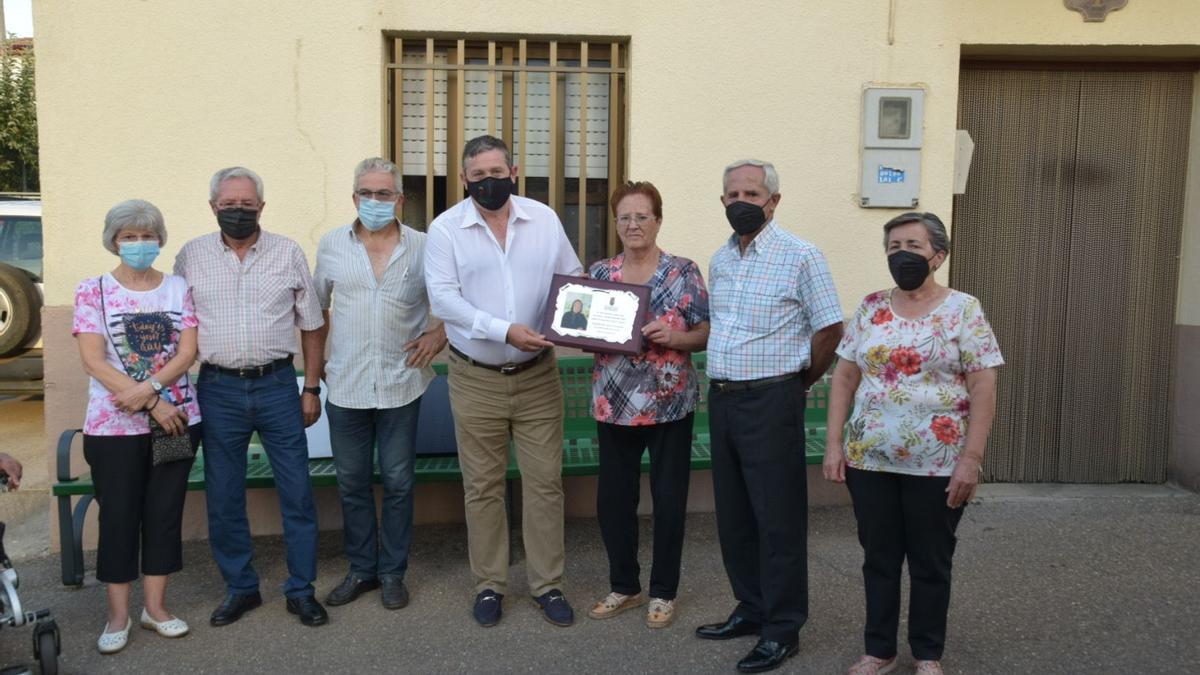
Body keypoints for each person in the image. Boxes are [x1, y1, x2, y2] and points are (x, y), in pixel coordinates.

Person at [823, 212, 1003, 675]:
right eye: (894, 246)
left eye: (913, 246)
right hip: (871, 460)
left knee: (931, 561)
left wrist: (971, 460)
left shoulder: (964, 309)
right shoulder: (870, 307)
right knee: (878, 558)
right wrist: (834, 444)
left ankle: (927, 654)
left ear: (938, 255)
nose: (902, 255)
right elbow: (845, 376)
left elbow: (984, 386)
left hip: (938, 463)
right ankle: (878, 650)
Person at [425, 134, 583, 628]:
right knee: (483, 487)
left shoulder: (544, 220)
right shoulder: (445, 229)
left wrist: (588, 321)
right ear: (464, 180)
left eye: (498, 173)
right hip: (475, 379)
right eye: (478, 176)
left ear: (513, 172)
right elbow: (445, 301)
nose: (489, 182)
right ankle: (490, 585)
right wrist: (504, 330)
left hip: (538, 377)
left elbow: (571, 279)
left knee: (544, 485)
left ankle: (548, 584)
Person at [696, 159, 844, 673]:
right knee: (735, 515)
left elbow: (829, 328)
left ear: (773, 201)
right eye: (732, 192)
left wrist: (798, 381)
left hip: (773, 400)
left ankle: (783, 629)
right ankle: (752, 608)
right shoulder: (720, 259)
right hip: (724, 399)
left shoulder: (801, 256)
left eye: (752, 193)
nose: (742, 200)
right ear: (722, 201)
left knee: (777, 519)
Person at [174, 167, 328, 628]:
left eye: (246, 205)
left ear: (261, 206)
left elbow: (313, 324)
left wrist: (311, 386)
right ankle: (241, 588)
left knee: (297, 493)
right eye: (228, 205)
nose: (237, 212)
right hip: (217, 389)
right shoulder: (191, 256)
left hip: (278, 386)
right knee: (223, 496)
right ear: (212, 207)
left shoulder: (287, 252)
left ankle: (301, 590)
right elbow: (178, 327)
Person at [312, 157, 447, 611]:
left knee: (399, 481)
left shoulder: (425, 246)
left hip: (400, 382)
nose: (375, 201)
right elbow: (316, 311)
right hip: (346, 384)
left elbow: (452, 299)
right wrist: (314, 378)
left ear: (400, 200)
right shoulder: (331, 245)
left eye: (384, 193)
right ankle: (360, 570)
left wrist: (438, 333)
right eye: (366, 193)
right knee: (350, 482)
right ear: (354, 198)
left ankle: (392, 572)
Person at [72, 199, 199, 654]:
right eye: (129, 236)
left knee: (163, 514)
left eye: (147, 236)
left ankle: (156, 609)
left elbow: (186, 353)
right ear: (113, 241)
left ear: (160, 239)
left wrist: (153, 398)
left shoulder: (177, 287)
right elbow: (92, 359)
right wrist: (151, 401)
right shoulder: (93, 291)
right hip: (113, 429)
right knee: (119, 516)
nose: (139, 244)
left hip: (177, 421)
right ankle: (118, 615)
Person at [585, 181, 709, 629]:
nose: (633, 224)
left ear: (658, 220)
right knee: (613, 501)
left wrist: (675, 337)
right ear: (615, 223)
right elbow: (582, 329)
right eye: (624, 217)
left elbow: (705, 331)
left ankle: (663, 592)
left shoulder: (683, 272)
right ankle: (625, 585)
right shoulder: (600, 274)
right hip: (613, 403)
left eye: (642, 216)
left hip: (670, 404)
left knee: (669, 499)